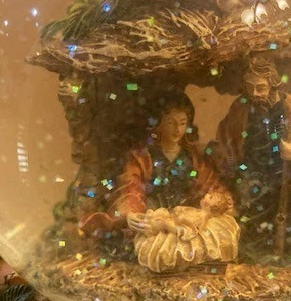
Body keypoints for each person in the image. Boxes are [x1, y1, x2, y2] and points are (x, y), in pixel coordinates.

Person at [216, 53, 291, 261]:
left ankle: (290, 260)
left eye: (260, 88)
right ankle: (253, 260)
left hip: (286, 178)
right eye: (249, 87)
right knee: (250, 223)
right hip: (250, 177)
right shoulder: (240, 107)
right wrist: (229, 162)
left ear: (273, 84)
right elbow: (226, 137)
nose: (254, 93)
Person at [80, 91, 231, 238]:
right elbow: (130, 188)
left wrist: (220, 200)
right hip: (151, 223)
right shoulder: (142, 156)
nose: (177, 129)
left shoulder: (193, 158)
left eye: (182, 123)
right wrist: (131, 213)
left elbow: (210, 186)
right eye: (171, 123)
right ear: (160, 123)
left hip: (183, 224)